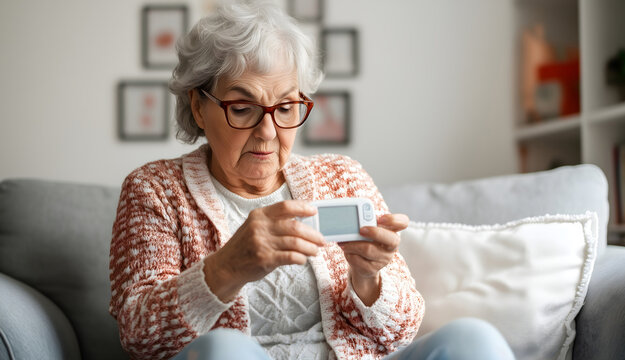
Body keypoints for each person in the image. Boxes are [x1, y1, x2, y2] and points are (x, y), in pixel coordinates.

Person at [108, 1, 516, 359]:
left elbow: (400, 332)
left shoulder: (342, 176)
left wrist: (367, 279)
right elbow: (140, 337)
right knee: (225, 351)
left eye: (286, 107)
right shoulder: (154, 190)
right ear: (199, 107)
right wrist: (228, 267)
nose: (268, 131)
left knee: (472, 339)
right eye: (244, 108)